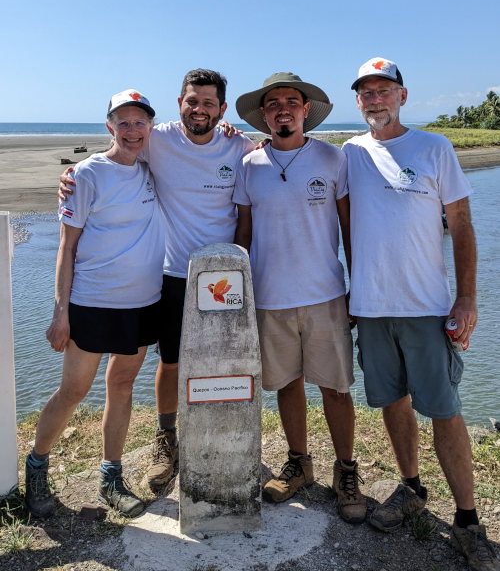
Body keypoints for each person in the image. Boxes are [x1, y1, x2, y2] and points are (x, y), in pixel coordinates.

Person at [59, 69, 255, 492]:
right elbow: (118, 150)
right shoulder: (158, 139)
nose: (199, 109)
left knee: (223, 363)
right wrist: (73, 172)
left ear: (221, 108)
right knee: (170, 362)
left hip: (223, 275)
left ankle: (220, 439)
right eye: (191, 101)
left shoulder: (239, 145)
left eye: (208, 103)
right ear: (179, 103)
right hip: (170, 274)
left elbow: (247, 212)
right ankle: (167, 441)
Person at [344, 57, 499, 570]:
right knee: (391, 400)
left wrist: (468, 297)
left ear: (403, 96)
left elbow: (461, 224)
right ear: (358, 101)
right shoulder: (348, 153)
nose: (375, 99)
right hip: (369, 307)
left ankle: (468, 519)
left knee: (445, 410)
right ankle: (410, 486)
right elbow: (296, 159)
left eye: (384, 90)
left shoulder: (434, 147)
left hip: (427, 307)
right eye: (366, 92)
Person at [233, 73, 366, 524]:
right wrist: (239, 295)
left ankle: (346, 470)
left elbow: (349, 230)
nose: (283, 108)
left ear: (306, 110)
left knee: (335, 387)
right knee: (286, 384)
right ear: (264, 114)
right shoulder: (249, 166)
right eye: (273, 103)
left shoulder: (333, 158)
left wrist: (357, 289)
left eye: (292, 101)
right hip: (270, 297)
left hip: (326, 293)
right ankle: (299, 462)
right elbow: (244, 234)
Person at [26, 89, 165, 518]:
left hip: (143, 304)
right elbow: (66, 249)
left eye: (139, 122)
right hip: (91, 303)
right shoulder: (86, 174)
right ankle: (36, 466)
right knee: (74, 390)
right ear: (109, 127)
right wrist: (59, 312)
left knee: (121, 386)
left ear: (151, 127)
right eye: (122, 122)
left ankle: (111, 476)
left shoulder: (153, 168)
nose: (131, 130)